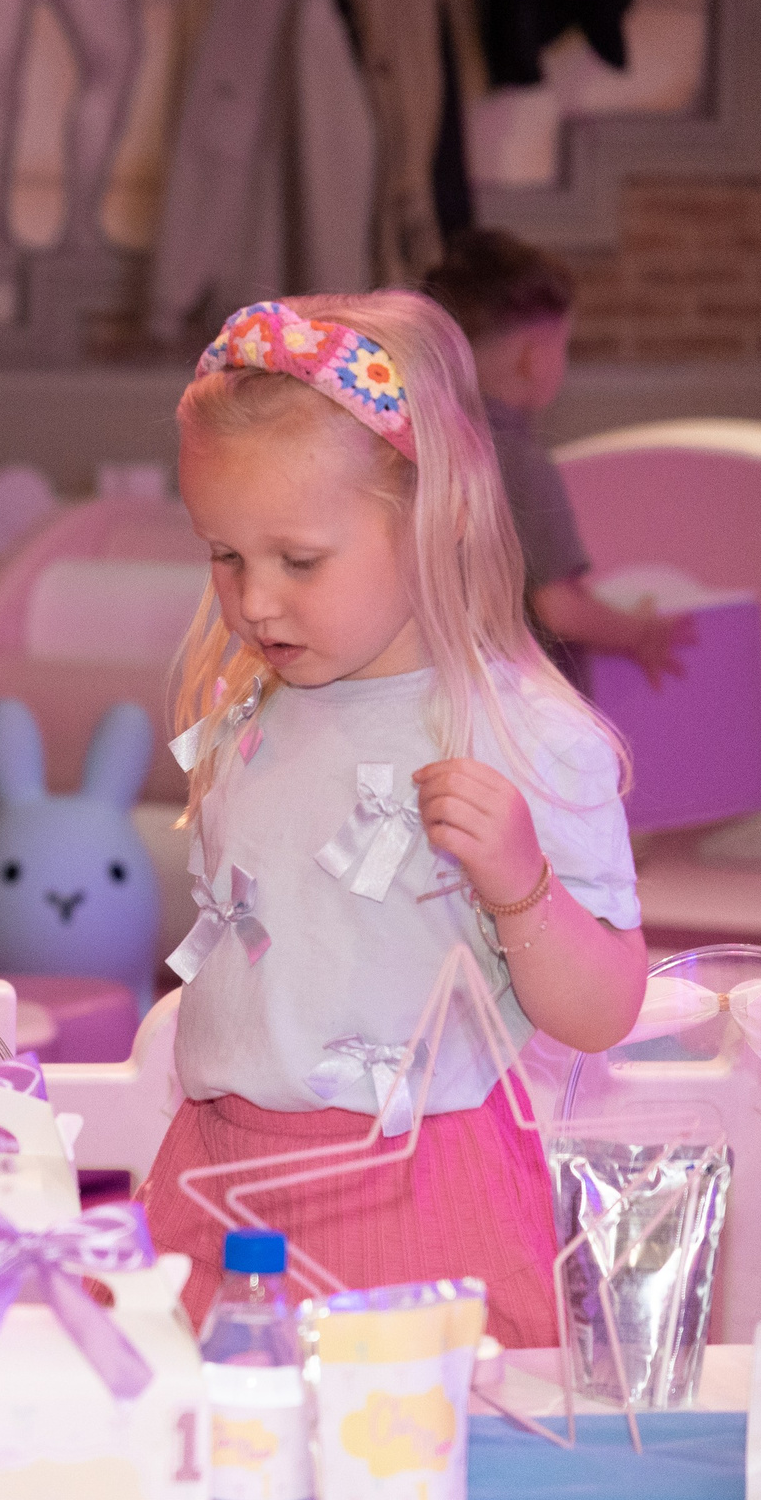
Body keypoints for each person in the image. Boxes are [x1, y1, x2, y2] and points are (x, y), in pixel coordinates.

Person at [138, 293, 646, 1347]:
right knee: (206, 1468)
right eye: (224, 556)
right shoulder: (250, 716)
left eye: (297, 561)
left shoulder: (521, 733)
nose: (254, 604)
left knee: (415, 1479)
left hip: (417, 1191)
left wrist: (523, 890)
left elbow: (600, 1010)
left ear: (434, 520)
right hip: (220, 1169)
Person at [425, 227, 693, 684]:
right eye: (563, 346)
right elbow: (560, 608)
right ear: (535, 358)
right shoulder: (519, 464)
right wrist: (639, 632)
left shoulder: (429, 444)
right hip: (520, 698)